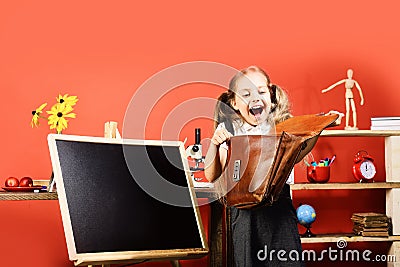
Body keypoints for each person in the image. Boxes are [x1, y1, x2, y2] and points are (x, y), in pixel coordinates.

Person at [204, 66, 303, 266]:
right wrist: (215, 144)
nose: (255, 98)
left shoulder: (283, 127)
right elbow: (211, 175)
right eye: (246, 94)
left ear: (272, 96)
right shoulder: (229, 130)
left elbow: (300, 155)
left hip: (279, 210)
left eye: (261, 91)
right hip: (245, 214)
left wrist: (318, 126)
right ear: (233, 102)